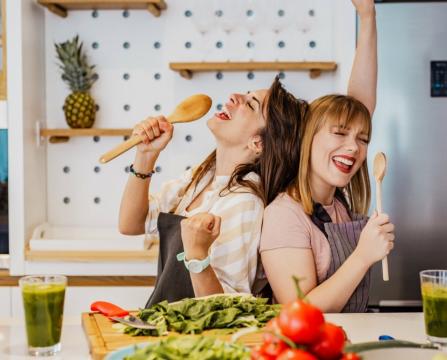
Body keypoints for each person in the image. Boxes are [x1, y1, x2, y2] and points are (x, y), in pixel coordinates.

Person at [118, 81, 307, 306]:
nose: (235, 96)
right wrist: (146, 155)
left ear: (259, 143)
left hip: (194, 336)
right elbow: (131, 224)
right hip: (170, 327)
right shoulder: (201, 176)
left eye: (251, 104)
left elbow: (226, 307)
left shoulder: (245, 202)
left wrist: (197, 254)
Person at [260, 0, 395, 313]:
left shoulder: (337, 203)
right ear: (309, 137)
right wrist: (363, 255)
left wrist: (367, 15)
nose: (354, 147)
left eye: (363, 139)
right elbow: (299, 313)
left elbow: (361, 105)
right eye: (339, 133)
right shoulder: (284, 215)